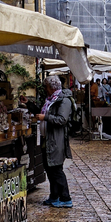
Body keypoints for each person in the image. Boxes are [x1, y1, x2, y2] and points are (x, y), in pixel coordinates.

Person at [37, 75, 74, 208]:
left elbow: (61, 120)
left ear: (51, 88)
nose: (45, 90)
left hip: (56, 140)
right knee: (50, 169)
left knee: (56, 169)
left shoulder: (64, 101)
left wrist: (45, 117)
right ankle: (54, 196)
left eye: (46, 87)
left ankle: (65, 197)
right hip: (48, 139)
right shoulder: (50, 99)